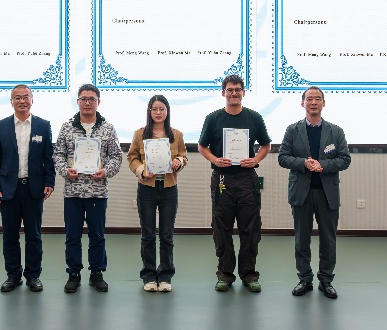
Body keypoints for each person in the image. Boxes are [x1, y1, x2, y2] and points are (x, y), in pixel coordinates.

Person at [198, 74, 271, 293]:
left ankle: (249, 275)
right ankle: (225, 274)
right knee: (222, 228)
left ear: (243, 93)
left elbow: (266, 145)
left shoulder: (254, 118)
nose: (234, 93)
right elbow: (202, 147)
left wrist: (255, 159)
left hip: (248, 179)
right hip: (222, 178)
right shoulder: (213, 118)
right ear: (223, 93)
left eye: (238, 89)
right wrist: (215, 160)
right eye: (230, 90)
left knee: (251, 228)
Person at [278, 86, 351, 299]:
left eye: (317, 99)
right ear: (302, 103)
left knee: (328, 240)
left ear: (323, 103)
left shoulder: (336, 131)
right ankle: (305, 279)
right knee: (302, 240)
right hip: (301, 193)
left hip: (327, 194)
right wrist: (304, 163)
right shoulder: (292, 130)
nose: (313, 102)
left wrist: (323, 165)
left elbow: (345, 159)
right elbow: (283, 157)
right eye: (309, 99)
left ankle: (326, 280)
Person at [53, 83, 122, 293]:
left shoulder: (108, 128)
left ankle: (96, 273)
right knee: (72, 236)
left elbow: (116, 156)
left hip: (97, 192)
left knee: (97, 236)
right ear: (78, 102)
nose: (87, 103)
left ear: (98, 102)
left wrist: (106, 171)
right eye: (83, 99)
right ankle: (73, 273)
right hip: (73, 191)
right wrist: (65, 170)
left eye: (92, 99)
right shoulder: (67, 127)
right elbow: (58, 155)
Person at [0, 84, 55, 293]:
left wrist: (50, 182)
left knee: (34, 235)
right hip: (9, 189)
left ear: (32, 100)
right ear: (11, 102)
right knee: (10, 235)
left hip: (33, 189)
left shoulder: (43, 126)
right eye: (17, 97)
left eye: (25, 97)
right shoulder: (1, 126)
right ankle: (13, 275)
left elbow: (48, 158)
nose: (22, 101)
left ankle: (33, 275)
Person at [127, 95, 188, 293]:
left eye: (162, 109)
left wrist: (179, 161)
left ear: (167, 111)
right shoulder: (140, 134)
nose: (158, 112)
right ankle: (149, 276)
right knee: (147, 234)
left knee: (167, 234)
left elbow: (184, 156)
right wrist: (142, 170)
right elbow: (132, 158)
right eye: (154, 109)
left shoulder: (176, 134)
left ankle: (165, 276)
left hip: (169, 188)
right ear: (149, 111)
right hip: (147, 188)